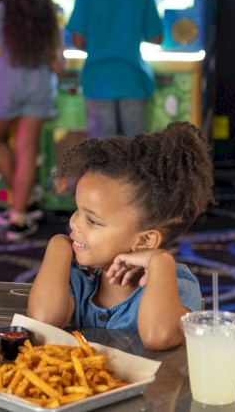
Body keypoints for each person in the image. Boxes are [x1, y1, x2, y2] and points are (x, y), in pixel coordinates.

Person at [27, 122, 213, 350]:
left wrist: (160, 261)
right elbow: (42, 322)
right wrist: (58, 246)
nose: (73, 222)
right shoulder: (77, 276)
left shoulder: (177, 285)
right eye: (77, 210)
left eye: (92, 220)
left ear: (144, 241)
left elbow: (159, 336)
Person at [0, 0, 64, 241]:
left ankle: (20, 201)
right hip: (39, 81)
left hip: (6, 80)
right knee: (27, 149)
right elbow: (58, 61)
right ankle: (19, 213)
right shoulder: (48, 7)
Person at [66, 0, 163, 138]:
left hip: (98, 82)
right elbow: (156, 38)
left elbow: (78, 40)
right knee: (135, 153)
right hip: (133, 81)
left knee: (103, 157)